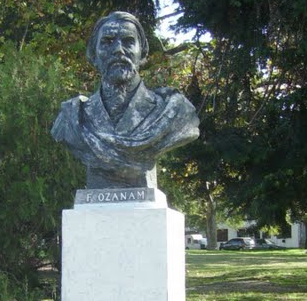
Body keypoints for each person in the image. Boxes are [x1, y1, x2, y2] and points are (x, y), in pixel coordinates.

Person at [51, 11, 199, 188]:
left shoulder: (174, 111)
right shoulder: (73, 117)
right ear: (93, 55)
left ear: (142, 52)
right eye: (107, 42)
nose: (118, 50)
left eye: (128, 41)